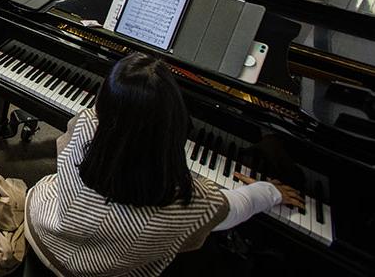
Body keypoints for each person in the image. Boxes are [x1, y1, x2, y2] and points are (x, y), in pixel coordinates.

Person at [25, 52, 304, 276]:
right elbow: (232, 209)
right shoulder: (189, 201)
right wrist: (270, 193)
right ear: (173, 122)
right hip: (102, 269)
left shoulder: (86, 124)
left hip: (42, 230)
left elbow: (64, 152)